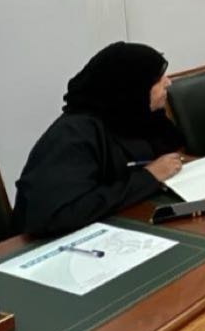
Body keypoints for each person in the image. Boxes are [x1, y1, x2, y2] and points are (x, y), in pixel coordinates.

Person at [12, 42, 185, 237]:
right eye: (157, 79)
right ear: (132, 87)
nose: (168, 82)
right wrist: (148, 177)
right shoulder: (73, 134)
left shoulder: (134, 116)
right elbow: (58, 215)